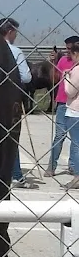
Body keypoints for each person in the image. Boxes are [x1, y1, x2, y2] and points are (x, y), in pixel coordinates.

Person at [0, 18, 32, 188]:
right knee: (11, 136)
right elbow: (26, 77)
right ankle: (16, 174)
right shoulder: (15, 51)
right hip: (10, 99)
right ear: (10, 32)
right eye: (15, 32)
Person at [46, 36, 79, 177]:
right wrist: (53, 63)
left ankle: (73, 166)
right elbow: (54, 78)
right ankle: (51, 166)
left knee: (75, 139)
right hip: (62, 101)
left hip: (74, 103)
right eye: (66, 48)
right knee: (59, 135)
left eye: (69, 48)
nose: (67, 51)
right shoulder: (63, 60)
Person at [61, 43, 79, 190]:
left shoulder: (77, 70)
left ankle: (77, 177)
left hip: (75, 111)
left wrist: (66, 77)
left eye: (72, 55)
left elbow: (70, 92)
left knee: (76, 144)